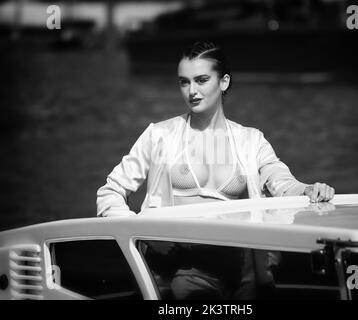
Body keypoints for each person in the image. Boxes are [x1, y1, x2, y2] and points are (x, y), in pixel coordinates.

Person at [96, 41, 335, 299]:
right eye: (184, 82)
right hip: (184, 271)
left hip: (242, 270)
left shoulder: (250, 140)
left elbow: (282, 182)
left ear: (224, 82)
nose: (192, 91)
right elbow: (111, 190)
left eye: (201, 80)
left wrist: (309, 190)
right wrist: (134, 234)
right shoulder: (160, 136)